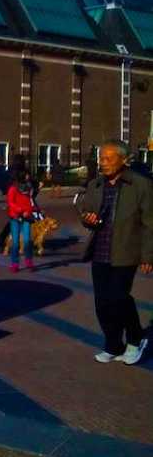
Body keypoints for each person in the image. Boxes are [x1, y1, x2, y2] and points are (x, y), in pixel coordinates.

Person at [79, 140, 152, 366]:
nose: (103, 163)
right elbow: (87, 212)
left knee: (119, 297)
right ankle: (113, 345)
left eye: (109, 158)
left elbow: (150, 224)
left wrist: (148, 256)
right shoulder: (96, 185)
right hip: (100, 251)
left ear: (123, 159)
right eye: (101, 158)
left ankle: (135, 338)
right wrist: (88, 219)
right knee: (102, 303)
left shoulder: (141, 185)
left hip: (126, 250)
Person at [6, 167, 36, 272]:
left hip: (26, 217)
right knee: (15, 242)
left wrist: (30, 211)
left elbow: (30, 202)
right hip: (15, 217)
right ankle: (14, 263)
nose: (29, 177)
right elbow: (10, 203)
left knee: (27, 240)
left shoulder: (28, 187)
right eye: (27, 175)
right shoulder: (13, 188)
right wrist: (20, 210)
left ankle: (29, 261)